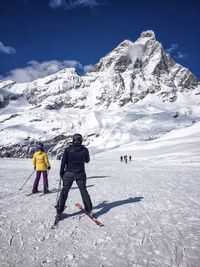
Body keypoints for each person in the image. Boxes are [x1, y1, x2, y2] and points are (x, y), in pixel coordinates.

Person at [55, 133, 92, 220]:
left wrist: (61, 173)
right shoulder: (85, 149)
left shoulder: (68, 149)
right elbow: (87, 161)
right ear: (81, 140)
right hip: (80, 173)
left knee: (64, 191)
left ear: (73, 140)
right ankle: (89, 209)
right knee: (83, 191)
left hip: (69, 173)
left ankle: (59, 211)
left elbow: (63, 162)